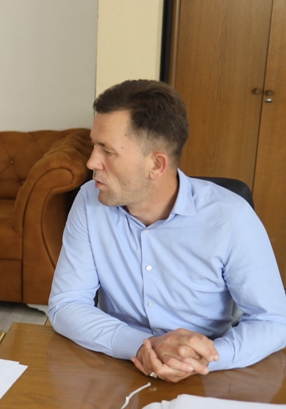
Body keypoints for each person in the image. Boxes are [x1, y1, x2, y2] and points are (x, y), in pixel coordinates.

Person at [48, 79, 286, 383]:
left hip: (207, 377)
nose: (92, 161)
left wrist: (199, 360)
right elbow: (67, 303)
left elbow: (273, 321)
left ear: (156, 165)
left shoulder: (231, 217)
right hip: (116, 367)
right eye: (94, 145)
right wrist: (145, 347)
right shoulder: (89, 200)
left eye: (107, 151)